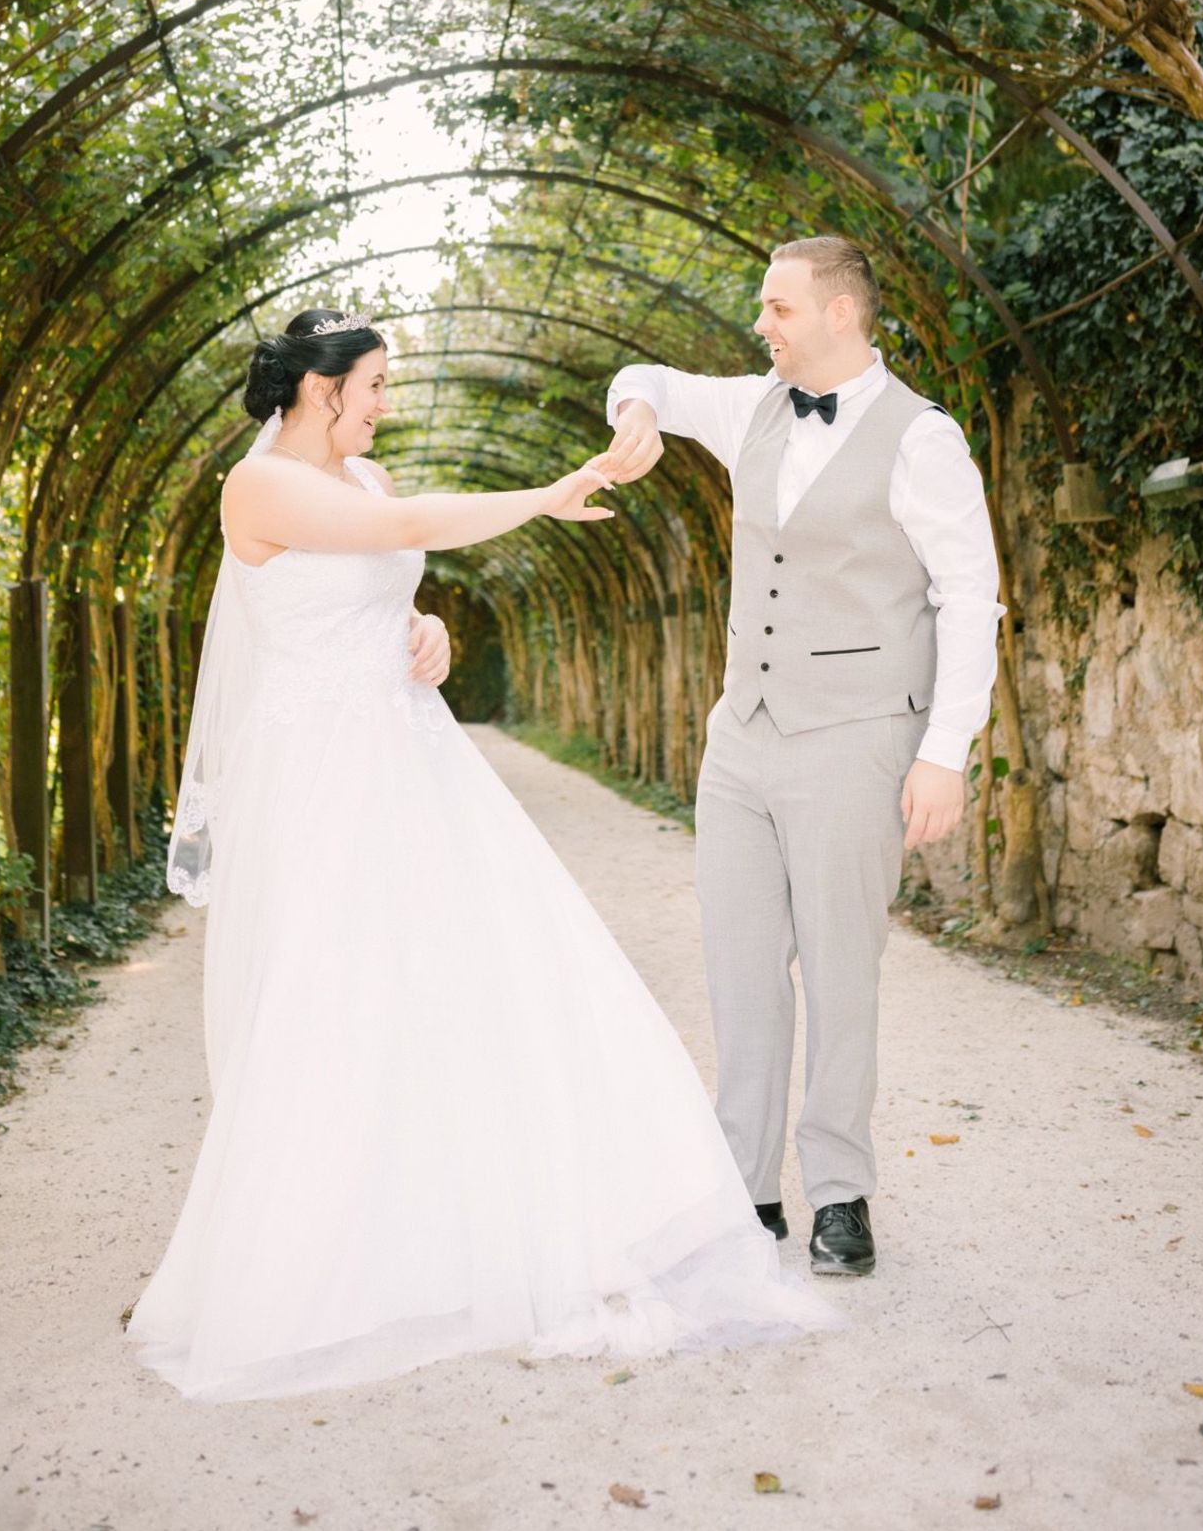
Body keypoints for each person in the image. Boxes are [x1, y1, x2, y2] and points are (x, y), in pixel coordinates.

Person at [125, 307, 842, 1403]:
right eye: (372, 385)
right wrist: (547, 494)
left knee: (463, 980)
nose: (383, 403)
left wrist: (429, 631)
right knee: (332, 994)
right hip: (318, 775)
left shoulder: (362, 481)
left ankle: (447, 1232)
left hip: (407, 756)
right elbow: (405, 525)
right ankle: (322, 1263)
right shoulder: (256, 485)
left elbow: (383, 580)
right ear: (319, 389)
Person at [605, 238, 1003, 1277]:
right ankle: (746, 1188)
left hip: (857, 734)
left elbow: (970, 598)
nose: (760, 323)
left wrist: (944, 751)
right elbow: (647, 378)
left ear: (838, 313)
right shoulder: (754, 407)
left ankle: (838, 1191)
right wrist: (636, 412)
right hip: (742, 734)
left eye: (776, 307)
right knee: (739, 965)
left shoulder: (923, 439)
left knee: (838, 969)